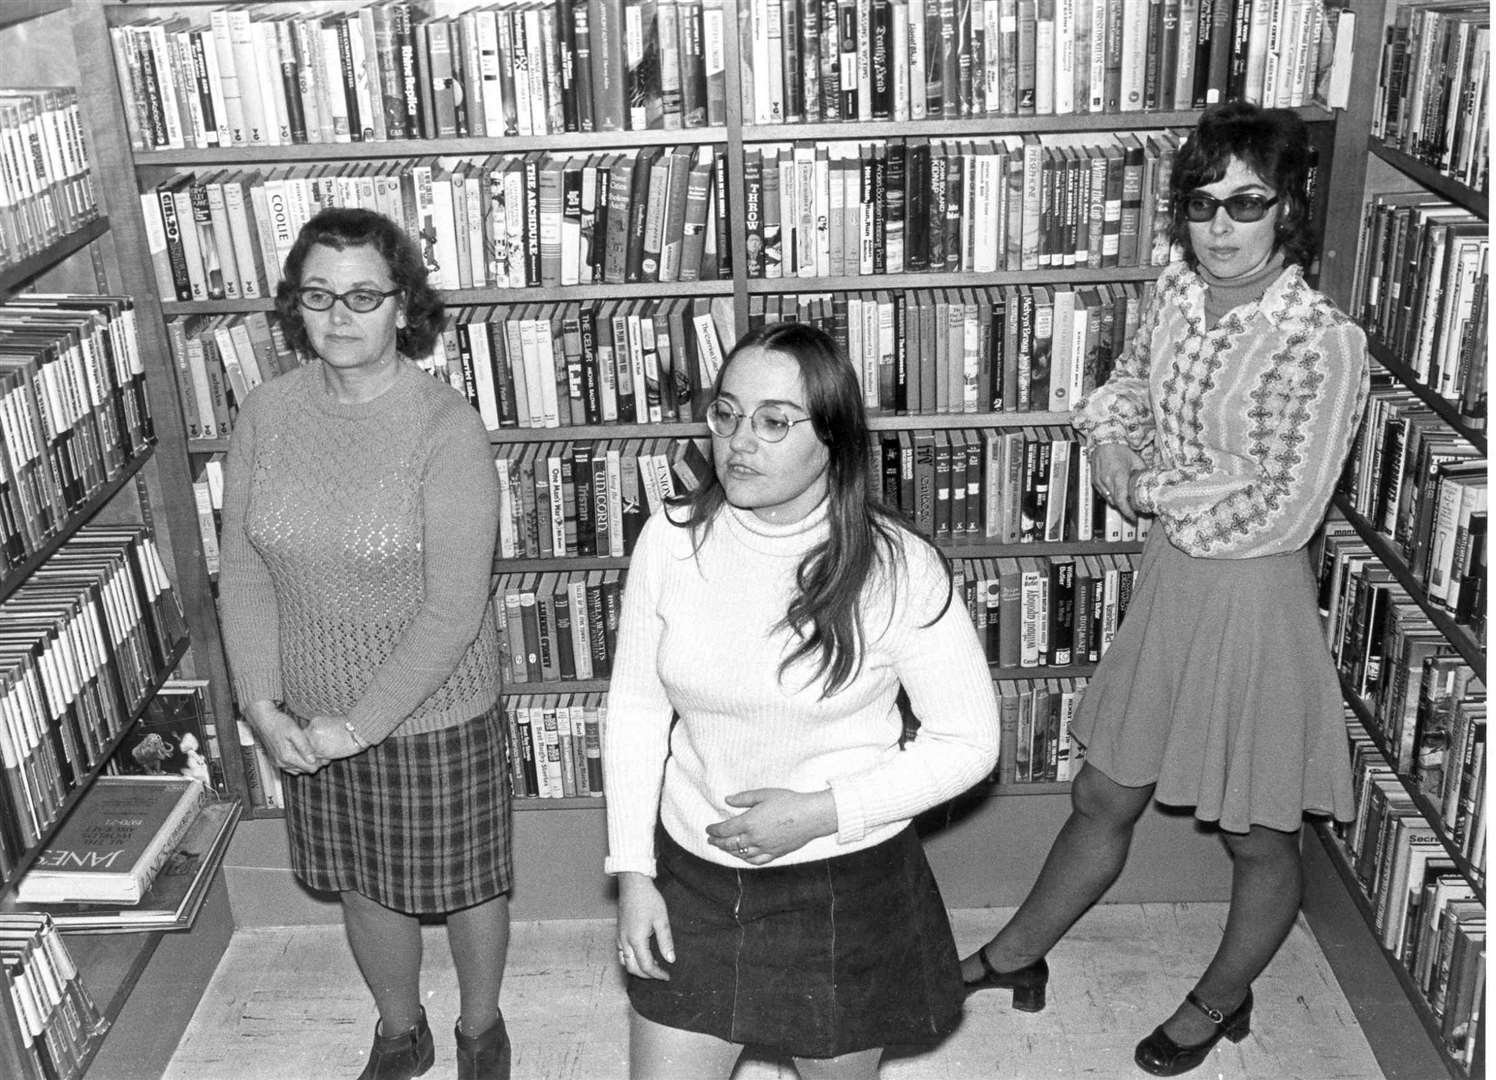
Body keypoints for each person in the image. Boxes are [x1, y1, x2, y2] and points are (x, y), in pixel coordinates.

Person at [959, 101, 1371, 1077]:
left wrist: (1153, 489)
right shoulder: (1177, 291)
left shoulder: (1322, 341)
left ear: (1287, 212)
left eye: (1245, 204)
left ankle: (1220, 999)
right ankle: (1015, 953)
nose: (1219, 227)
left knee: (1257, 832)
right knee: (1103, 791)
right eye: (1200, 203)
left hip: (1250, 606)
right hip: (1173, 586)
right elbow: (1122, 396)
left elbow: (1285, 509)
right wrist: (1121, 454)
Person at [603, 322, 1001, 1080]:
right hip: (694, 870)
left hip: (841, 884)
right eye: (726, 413)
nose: (739, 442)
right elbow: (635, 711)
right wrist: (632, 872)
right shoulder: (672, 539)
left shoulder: (898, 567)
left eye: (775, 421)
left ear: (833, 440)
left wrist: (821, 811)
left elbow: (969, 742)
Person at [218, 207, 512, 1080]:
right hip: (310, 713)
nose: (340, 316)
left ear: (401, 307)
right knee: (361, 876)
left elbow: (454, 610)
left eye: (363, 295)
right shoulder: (266, 415)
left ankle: (481, 1029)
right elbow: (243, 569)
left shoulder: (444, 428)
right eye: (319, 295)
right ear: (294, 307)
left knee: (466, 884)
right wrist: (261, 704)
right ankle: (399, 1031)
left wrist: (363, 723)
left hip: (431, 707)